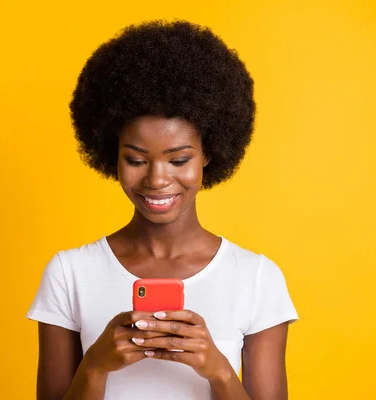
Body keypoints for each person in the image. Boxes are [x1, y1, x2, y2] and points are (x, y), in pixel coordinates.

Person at [26, 20, 299, 400]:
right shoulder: (70, 273)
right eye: (136, 160)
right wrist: (95, 366)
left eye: (179, 159)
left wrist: (217, 370)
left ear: (209, 154)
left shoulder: (257, 278)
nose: (157, 179)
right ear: (112, 156)